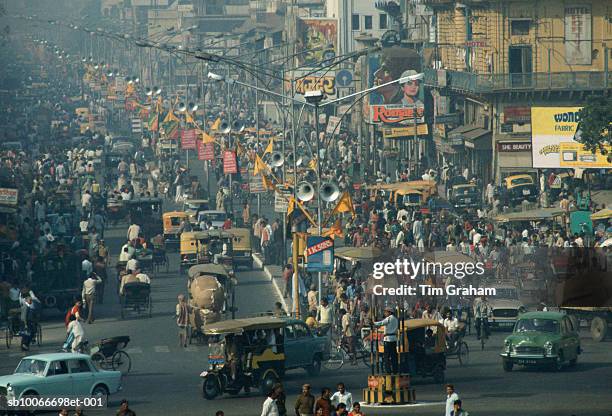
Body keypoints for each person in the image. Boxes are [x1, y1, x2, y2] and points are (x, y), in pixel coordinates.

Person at [374, 306, 399, 373]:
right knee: (394, 356)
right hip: (394, 339)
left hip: (388, 339)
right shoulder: (396, 319)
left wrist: (373, 323)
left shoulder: (389, 319)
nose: (385, 313)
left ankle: (388, 371)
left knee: (386, 357)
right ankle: (395, 370)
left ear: (389, 312)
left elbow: (381, 323)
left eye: (386, 312)